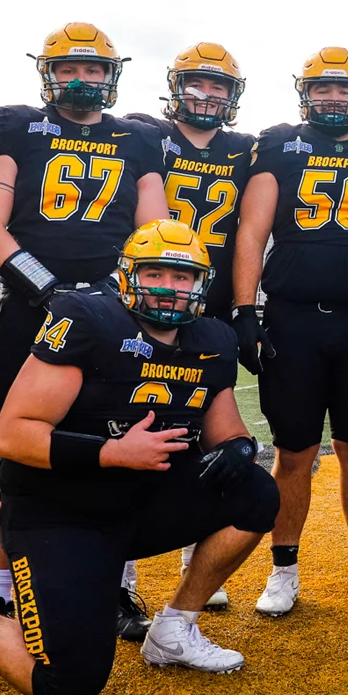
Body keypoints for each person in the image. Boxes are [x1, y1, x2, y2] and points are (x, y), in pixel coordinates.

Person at [0, 221, 278, 695]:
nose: (169, 288)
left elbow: (229, 430)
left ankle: (174, 629)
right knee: (70, 682)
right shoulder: (88, 319)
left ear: (201, 284)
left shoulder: (213, 338)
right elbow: (13, 434)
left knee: (257, 493)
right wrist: (113, 451)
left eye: (182, 277)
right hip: (59, 509)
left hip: (138, 501)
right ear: (126, 275)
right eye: (155, 273)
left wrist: (241, 448)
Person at [0, 23, 169, 643]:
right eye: (68, 68)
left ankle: (117, 587)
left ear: (112, 76)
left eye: (93, 69)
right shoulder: (15, 127)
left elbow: (155, 230)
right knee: (14, 455)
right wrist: (49, 289)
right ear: (46, 73)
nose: (81, 80)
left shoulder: (138, 138)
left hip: (115, 314)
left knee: (121, 448)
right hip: (34, 309)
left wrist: (114, 294)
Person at [232, 47, 348, 617]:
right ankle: (283, 570)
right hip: (294, 317)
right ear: (305, 94)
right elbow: (252, 229)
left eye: (344, 90)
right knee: (295, 451)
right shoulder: (281, 143)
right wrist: (246, 310)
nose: (333, 98)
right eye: (323, 89)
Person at [125, 42, 255, 604]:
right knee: (129, 420)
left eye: (218, 86)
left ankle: (193, 552)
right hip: (151, 298)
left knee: (209, 429)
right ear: (175, 86)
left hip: (213, 301)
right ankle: (120, 573)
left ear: (233, 96)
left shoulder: (249, 150)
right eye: (197, 83)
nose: (206, 95)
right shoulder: (142, 135)